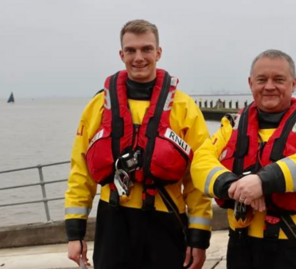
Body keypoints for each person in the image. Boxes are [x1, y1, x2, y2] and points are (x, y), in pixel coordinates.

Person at [64, 19, 213, 269]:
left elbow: (197, 177)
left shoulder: (185, 108)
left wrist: (198, 238)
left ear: (158, 52)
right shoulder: (97, 106)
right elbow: (80, 172)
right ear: (121, 54)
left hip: (166, 221)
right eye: (131, 50)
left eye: (146, 49)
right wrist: (75, 233)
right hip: (113, 223)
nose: (139, 57)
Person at [191, 49, 296, 269]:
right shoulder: (231, 127)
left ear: (294, 83)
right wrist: (234, 186)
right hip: (241, 245)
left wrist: (263, 181)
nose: (269, 86)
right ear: (251, 83)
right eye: (262, 80)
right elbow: (201, 162)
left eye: (279, 79)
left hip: (294, 245)